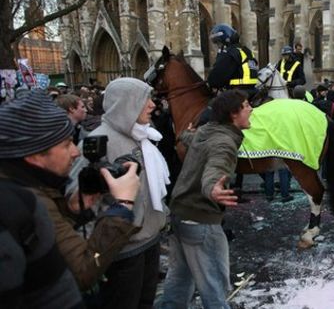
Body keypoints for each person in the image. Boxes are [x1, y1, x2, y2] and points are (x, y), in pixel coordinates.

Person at [0, 90, 141, 301]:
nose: (76, 152)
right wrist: (122, 205)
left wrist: (72, 209)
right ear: (35, 155)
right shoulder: (23, 202)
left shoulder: (30, 187)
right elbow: (84, 269)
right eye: (66, 144)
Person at [160, 90, 251, 309]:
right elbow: (215, 169)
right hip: (200, 222)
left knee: (179, 280)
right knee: (214, 287)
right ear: (233, 114)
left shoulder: (207, 131)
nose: (251, 109)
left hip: (180, 216)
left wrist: (185, 135)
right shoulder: (224, 143)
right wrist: (213, 189)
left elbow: (196, 141)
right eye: (246, 105)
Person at [86, 77, 169, 308]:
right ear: (125, 103)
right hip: (123, 250)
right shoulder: (101, 140)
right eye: (145, 99)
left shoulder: (143, 135)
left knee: (145, 302)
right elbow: (85, 200)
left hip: (149, 240)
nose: (153, 104)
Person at [207, 23, 258, 98]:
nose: (218, 46)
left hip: (237, 93)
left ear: (225, 41)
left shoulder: (230, 54)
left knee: (210, 108)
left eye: (219, 43)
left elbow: (215, 79)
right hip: (253, 91)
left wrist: (210, 82)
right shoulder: (246, 51)